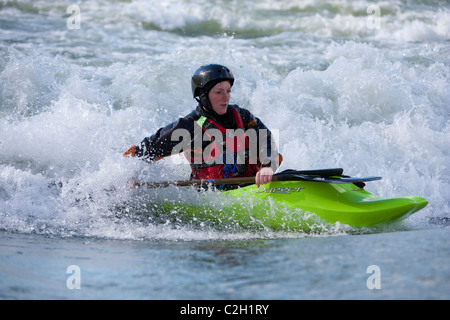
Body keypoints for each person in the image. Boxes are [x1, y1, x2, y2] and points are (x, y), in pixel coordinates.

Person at [124, 64, 280, 188]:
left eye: (228, 91)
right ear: (203, 96)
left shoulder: (243, 116)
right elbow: (146, 149)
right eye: (219, 92)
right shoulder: (190, 126)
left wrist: (266, 166)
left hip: (251, 185)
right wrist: (129, 174)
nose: (226, 97)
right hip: (211, 195)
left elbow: (265, 138)